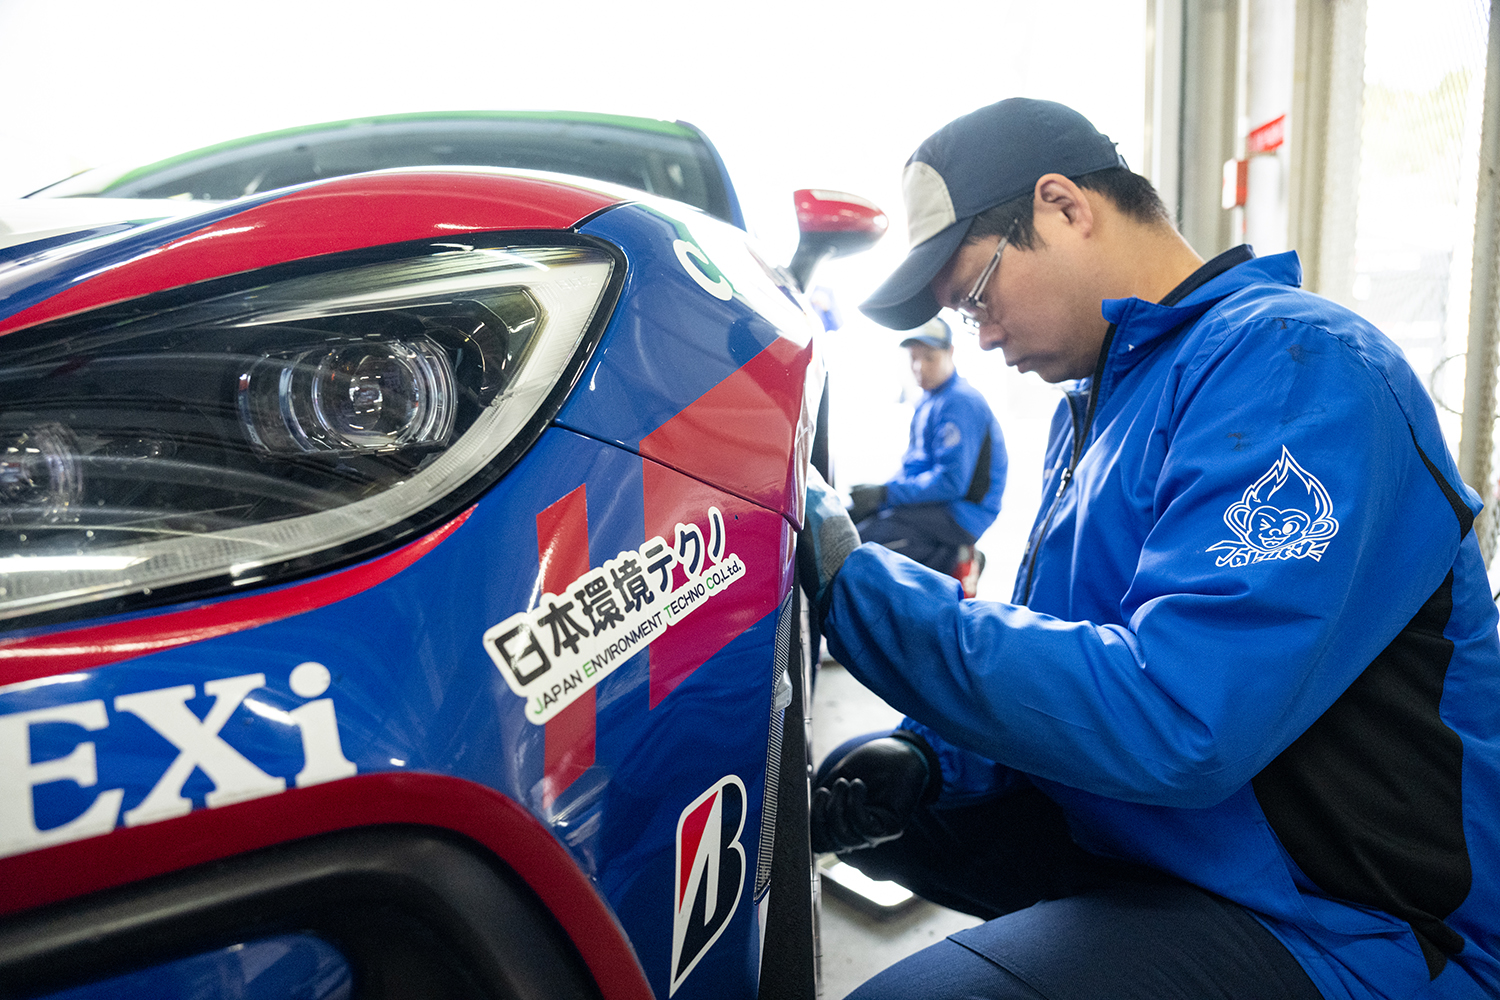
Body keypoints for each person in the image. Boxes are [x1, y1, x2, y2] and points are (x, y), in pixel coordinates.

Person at [797, 97, 1500, 1000]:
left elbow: (1181, 722)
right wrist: (936, 754)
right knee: (907, 815)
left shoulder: (1296, 366)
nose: (984, 337)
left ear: (1063, 206)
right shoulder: (1094, 412)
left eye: (976, 297)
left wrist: (854, 585)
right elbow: (1060, 641)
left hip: (1348, 924)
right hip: (1175, 858)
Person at [847, 315, 1005, 578]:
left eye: (929, 358)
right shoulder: (928, 401)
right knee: (853, 522)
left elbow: (951, 483)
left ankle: (955, 558)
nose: (919, 367)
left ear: (950, 353)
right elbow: (914, 466)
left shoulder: (960, 403)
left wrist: (887, 495)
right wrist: (879, 496)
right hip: (937, 505)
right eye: (913, 358)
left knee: (862, 546)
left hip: (963, 513)